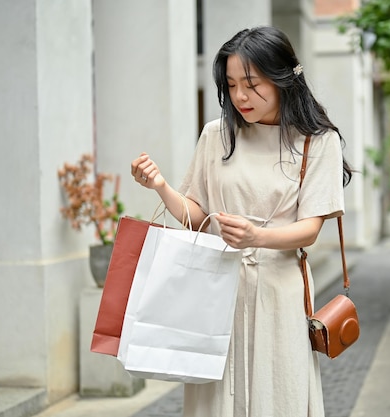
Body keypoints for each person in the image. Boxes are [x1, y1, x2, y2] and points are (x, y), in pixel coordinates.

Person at [131, 26, 352, 417]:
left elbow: (310, 230)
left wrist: (257, 236)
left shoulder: (317, 141)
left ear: (283, 78)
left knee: (277, 391)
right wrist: (161, 186)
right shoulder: (217, 135)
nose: (240, 96)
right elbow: (197, 216)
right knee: (217, 396)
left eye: (251, 84)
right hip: (216, 288)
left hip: (279, 292)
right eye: (231, 85)